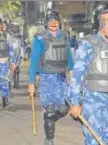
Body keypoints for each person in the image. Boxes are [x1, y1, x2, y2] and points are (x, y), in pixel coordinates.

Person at [69, 4, 108, 145]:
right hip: (93, 99)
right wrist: (75, 102)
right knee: (94, 139)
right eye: (106, 20)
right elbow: (77, 75)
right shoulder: (88, 44)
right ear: (98, 22)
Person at [28, 10, 73, 145]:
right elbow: (34, 61)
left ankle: (50, 119)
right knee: (50, 110)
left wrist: (72, 77)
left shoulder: (65, 36)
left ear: (59, 23)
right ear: (46, 24)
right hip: (46, 78)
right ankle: (49, 140)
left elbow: (69, 59)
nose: (53, 24)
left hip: (61, 79)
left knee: (65, 108)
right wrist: (31, 83)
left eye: (55, 21)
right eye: (50, 22)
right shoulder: (40, 38)